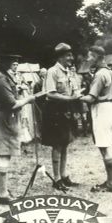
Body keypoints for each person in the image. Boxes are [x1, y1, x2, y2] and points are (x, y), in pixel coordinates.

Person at [0, 54, 36, 204]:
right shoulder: (1, 78)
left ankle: (2, 191)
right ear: (3, 60)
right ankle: (3, 195)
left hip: (1, 116)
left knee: (2, 155)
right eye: (11, 59)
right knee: (3, 156)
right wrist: (29, 98)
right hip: (4, 118)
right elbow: (12, 104)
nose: (14, 62)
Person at [79, 46, 112, 193]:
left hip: (102, 110)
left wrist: (77, 97)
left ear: (97, 57)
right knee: (110, 147)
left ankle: (110, 183)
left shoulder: (100, 74)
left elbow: (91, 98)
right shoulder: (111, 72)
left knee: (105, 148)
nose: (88, 59)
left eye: (90, 56)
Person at [42, 43, 81, 190]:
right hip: (55, 110)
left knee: (65, 143)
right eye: (68, 55)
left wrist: (76, 95)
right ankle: (56, 179)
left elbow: (72, 89)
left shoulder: (68, 72)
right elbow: (50, 93)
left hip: (66, 109)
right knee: (57, 144)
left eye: (71, 55)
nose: (71, 58)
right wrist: (70, 99)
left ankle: (64, 176)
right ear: (60, 57)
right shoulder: (52, 71)